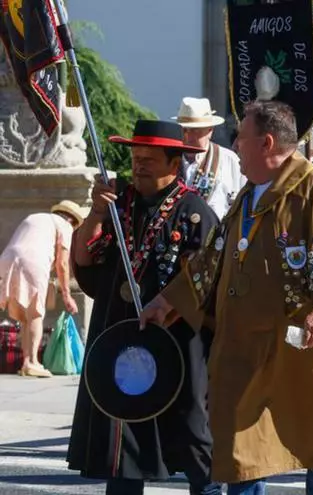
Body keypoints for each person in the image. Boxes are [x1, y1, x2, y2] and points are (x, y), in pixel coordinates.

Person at [139, 102, 313, 494]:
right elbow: (211, 258)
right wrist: (166, 301)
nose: (234, 145)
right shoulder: (248, 195)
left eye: (241, 137)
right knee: (241, 449)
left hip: (302, 344)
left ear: (266, 143)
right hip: (245, 346)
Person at [66, 120, 221, 494]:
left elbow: (207, 280)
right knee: (122, 437)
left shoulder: (195, 212)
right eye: (136, 158)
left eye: (149, 159)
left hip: (177, 343)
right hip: (121, 335)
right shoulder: (118, 205)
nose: (139, 166)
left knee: (193, 434)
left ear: (174, 163)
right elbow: (85, 261)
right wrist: (95, 214)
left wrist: (168, 306)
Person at [0, 201, 85, 377]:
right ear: (73, 221)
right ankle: (32, 362)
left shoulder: (36, 217)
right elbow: (62, 264)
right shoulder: (65, 226)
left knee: (24, 317)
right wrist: (67, 295)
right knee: (36, 314)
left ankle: (26, 362)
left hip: (7, 259)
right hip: (33, 262)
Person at [173, 97, 245, 218]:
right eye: (184, 130)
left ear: (210, 130)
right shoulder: (169, 159)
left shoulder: (230, 160)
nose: (188, 137)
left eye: (195, 130)